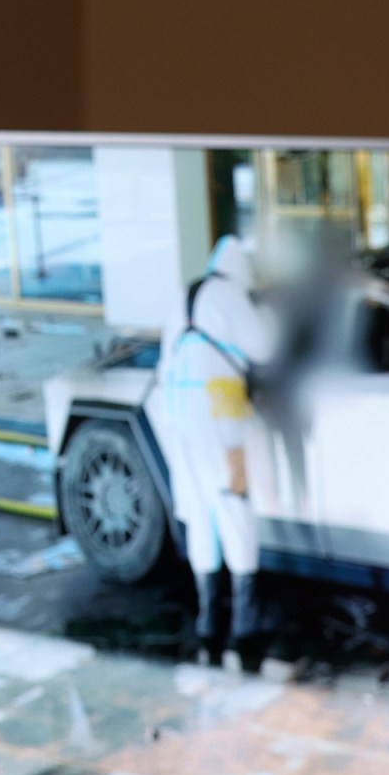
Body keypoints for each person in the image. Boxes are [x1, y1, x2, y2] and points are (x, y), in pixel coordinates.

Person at [159, 235, 278, 669]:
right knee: (234, 505)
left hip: (178, 410)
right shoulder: (230, 295)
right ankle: (246, 624)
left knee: (200, 511)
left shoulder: (186, 295)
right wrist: (267, 313)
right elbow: (265, 347)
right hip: (220, 409)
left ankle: (209, 621)